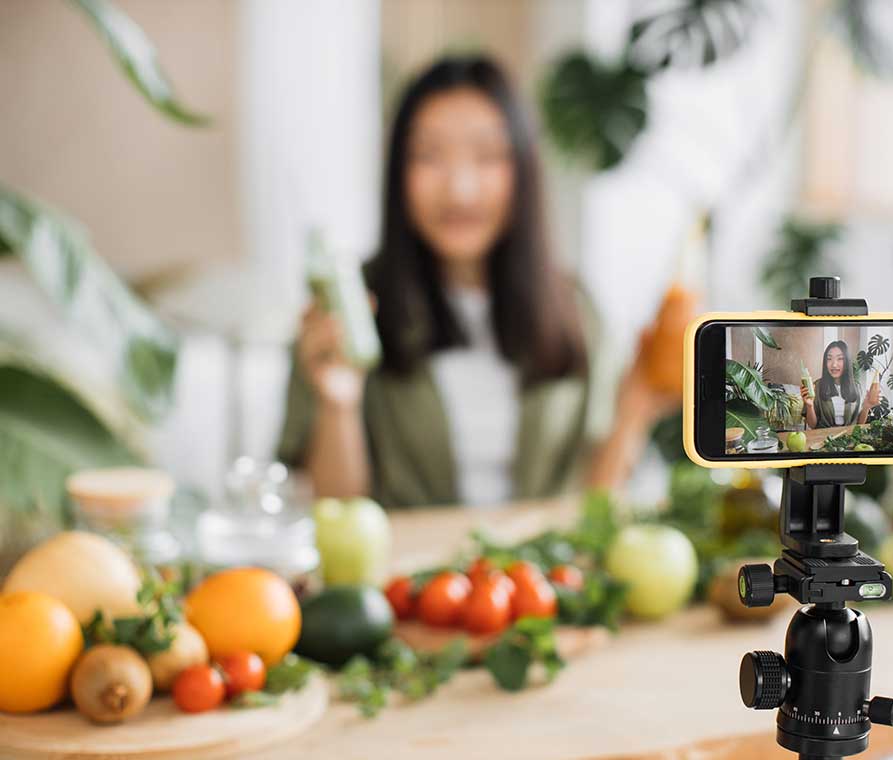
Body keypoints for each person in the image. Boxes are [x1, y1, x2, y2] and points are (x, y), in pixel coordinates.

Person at [277, 55, 674, 507]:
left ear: (523, 170)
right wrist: (338, 403)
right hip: (408, 576)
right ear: (397, 172)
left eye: (487, 157)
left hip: (540, 576)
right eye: (429, 156)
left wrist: (637, 406)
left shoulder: (575, 308)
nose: (460, 189)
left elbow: (592, 507)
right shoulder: (350, 310)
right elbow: (338, 516)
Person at [800, 340, 879, 430]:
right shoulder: (817, 387)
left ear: (847, 362)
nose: (834, 364)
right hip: (823, 438)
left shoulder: (857, 387)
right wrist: (810, 406)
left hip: (849, 438)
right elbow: (812, 425)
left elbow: (859, 423)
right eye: (829, 359)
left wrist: (866, 407)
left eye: (840, 359)